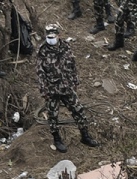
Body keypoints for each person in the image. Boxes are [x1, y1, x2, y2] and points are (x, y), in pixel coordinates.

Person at [37, 24, 101, 152]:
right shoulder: (43, 50)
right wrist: (44, 90)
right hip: (52, 89)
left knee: (79, 111)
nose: (50, 39)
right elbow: (40, 72)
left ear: (58, 35)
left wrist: (75, 81)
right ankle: (57, 139)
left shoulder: (65, 46)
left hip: (67, 87)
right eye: (48, 36)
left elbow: (72, 64)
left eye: (53, 36)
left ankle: (85, 136)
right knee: (53, 115)